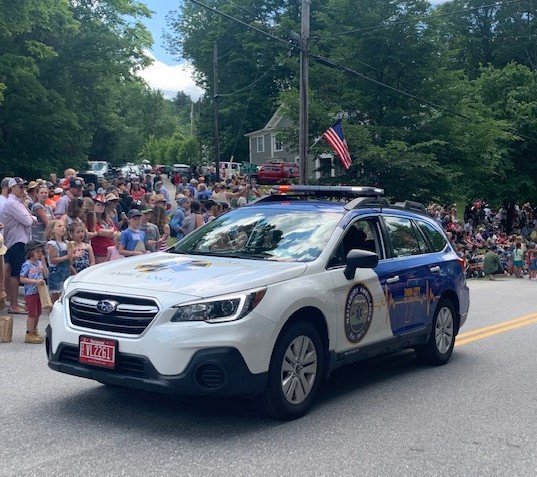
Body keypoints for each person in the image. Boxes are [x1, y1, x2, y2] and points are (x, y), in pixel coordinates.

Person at [4, 177, 36, 314]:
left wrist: (30, 218)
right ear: (12, 188)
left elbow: (31, 218)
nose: (23, 189)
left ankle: (14, 302)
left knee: (16, 272)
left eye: (23, 186)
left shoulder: (17, 202)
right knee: (15, 274)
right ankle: (14, 304)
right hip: (16, 241)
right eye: (20, 187)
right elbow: (28, 221)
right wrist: (30, 218)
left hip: (19, 239)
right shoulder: (12, 203)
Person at [19, 239, 48, 344]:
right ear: (31, 253)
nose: (40, 253)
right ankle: (29, 333)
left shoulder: (39, 263)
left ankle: (34, 330)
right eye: (37, 251)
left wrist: (44, 264)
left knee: (38, 312)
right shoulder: (27, 264)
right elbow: (21, 279)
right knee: (32, 313)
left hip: (39, 292)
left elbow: (46, 275)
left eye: (41, 251)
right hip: (30, 293)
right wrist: (34, 281)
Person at [46, 220, 77, 303]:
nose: (62, 228)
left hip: (66, 272)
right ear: (52, 230)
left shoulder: (67, 243)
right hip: (56, 273)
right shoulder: (52, 244)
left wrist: (74, 257)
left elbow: (69, 262)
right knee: (56, 298)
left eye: (63, 226)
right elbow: (53, 260)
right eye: (59, 226)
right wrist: (67, 256)